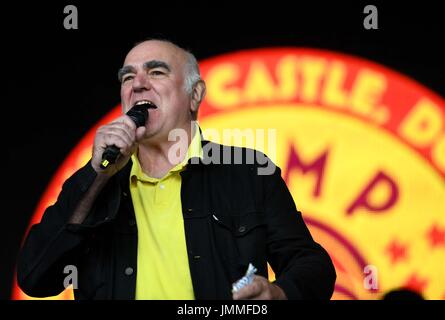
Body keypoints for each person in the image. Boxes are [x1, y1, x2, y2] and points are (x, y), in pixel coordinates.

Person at [17, 39, 336, 300]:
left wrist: (279, 293)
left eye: (156, 72)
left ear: (195, 94)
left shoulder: (250, 173)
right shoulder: (97, 182)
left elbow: (312, 265)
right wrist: (97, 175)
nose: (138, 85)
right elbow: (34, 278)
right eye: (128, 77)